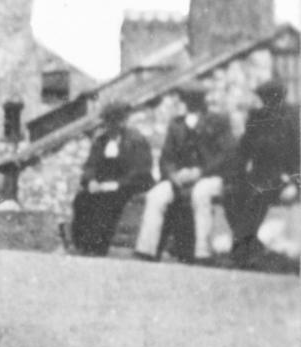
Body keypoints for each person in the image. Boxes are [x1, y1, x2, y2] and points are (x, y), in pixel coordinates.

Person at [133, 86, 232, 262]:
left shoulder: (218, 121)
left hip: (210, 177)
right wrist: (173, 175)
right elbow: (166, 157)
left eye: (196, 99)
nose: (192, 104)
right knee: (155, 196)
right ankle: (146, 250)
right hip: (181, 178)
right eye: (188, 100)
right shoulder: (176, 124)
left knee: (200, 193)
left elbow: (226, 155)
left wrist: (200, 171)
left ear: (203, 101)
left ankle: (203, 253)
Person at [222, 77, 300, 269]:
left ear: (280, 98)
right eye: (264, 98)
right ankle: (251, 245)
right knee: (230, 194)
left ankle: (241, 252)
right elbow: (243, 151)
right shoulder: (257, 119)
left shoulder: (292, 120)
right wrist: (233, 177)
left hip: (284, 178)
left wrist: (295, 184)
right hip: (260, 175)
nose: (267, 103)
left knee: (257, 195)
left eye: (271, 98)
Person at [69, 102, 153, 256]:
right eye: (108, 121)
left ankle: (98, 247)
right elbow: (90, 165)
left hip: (128, 185)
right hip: (102, 185)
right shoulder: (101, 141)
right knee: (82, 199)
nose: (111, 126)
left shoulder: (136, 140)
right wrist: (91, 180)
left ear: (122, 122)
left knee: (107, 202)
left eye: (115, 121)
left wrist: (116, 184)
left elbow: (140, 171)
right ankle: (81, 245)